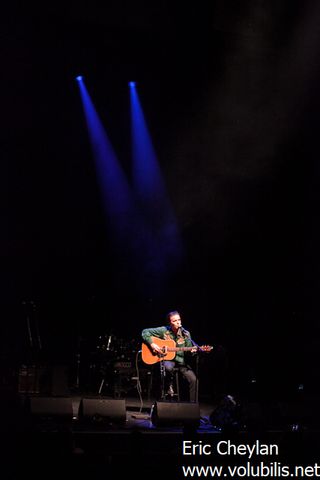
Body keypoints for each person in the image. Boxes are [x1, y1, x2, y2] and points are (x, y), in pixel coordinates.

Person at [141, 310, 198, 402]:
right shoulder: (164, 330)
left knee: (194, 380)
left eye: (179, 320)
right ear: (170, 323)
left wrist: (192, 351)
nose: (178, 322)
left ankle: (193, 405)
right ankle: (169, 385)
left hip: (181, 362)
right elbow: (145, 332)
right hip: (168, 360)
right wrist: (152, 344)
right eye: (174, 321)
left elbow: (188, 349)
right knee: (167, 367)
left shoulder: (186, 334)